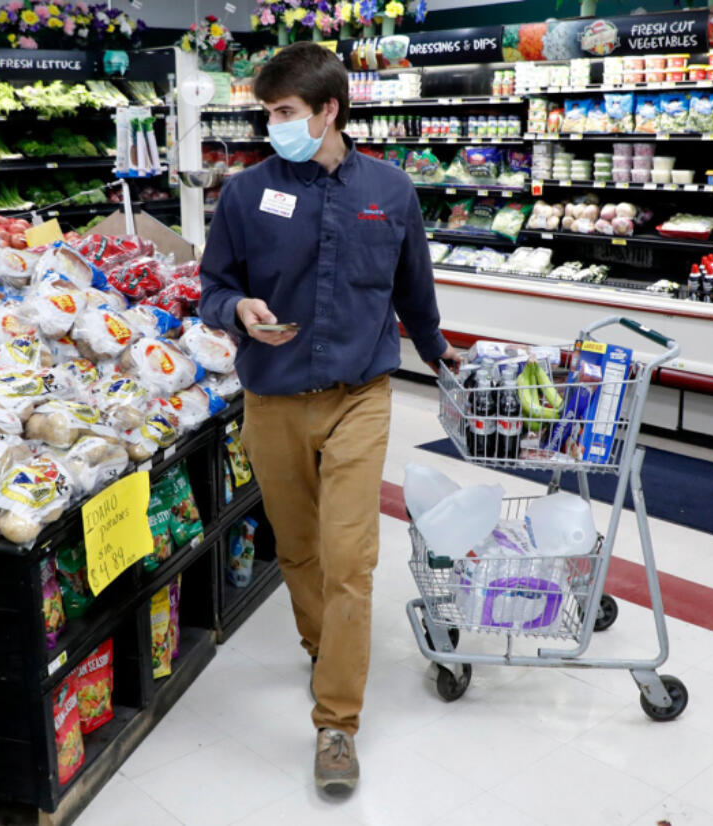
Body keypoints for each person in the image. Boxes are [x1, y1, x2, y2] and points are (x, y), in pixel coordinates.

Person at [198, 41, 459, 792]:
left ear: (328, 111)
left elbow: (414, 292)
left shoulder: (391, 190)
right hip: (272, 397)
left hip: (359, 399)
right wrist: (236, 309)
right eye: (266, 113)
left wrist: (442, 356)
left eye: (283, 113)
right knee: (301, 551)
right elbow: (213, 284)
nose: (270, 126)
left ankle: (337, 722)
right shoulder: (247, 196)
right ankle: (322, 643)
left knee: (351, 559)